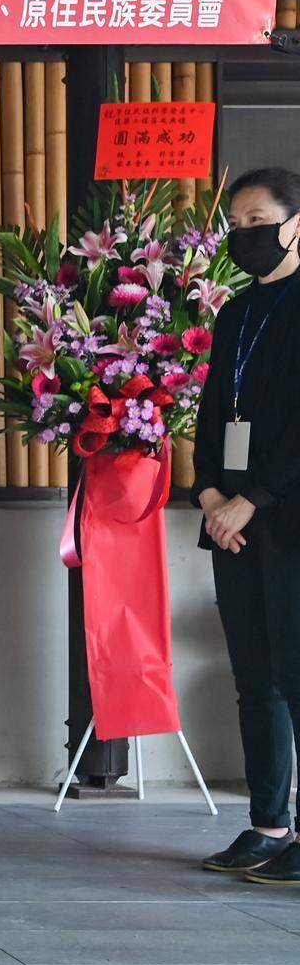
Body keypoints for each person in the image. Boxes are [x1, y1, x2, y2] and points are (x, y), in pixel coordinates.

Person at [194, 166, 300, 882]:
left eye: (258, 222)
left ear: (294, 225)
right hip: (228, 518)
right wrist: (209, 494)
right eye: (235, 225)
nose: (245, 236)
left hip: (285, 514)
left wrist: (255, 497)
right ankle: (266, 825)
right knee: (254, 677)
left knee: (294, 673)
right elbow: (208, 413)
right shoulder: (233, 312)